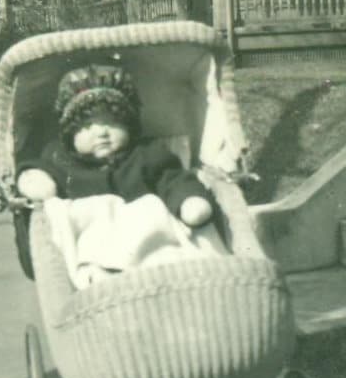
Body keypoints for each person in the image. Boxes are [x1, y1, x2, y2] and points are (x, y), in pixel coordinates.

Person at [16, 64, 219, 286]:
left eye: (112, 122)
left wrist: (188, 200)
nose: (102, 132)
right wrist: (32, 177)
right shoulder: (60, 159)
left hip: (149, 244)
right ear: (70, 134)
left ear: (130, 125)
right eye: (87, 125)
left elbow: (173, 180)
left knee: (158, 222)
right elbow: (38, 170)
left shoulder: (147, 154)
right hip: (94, 250)